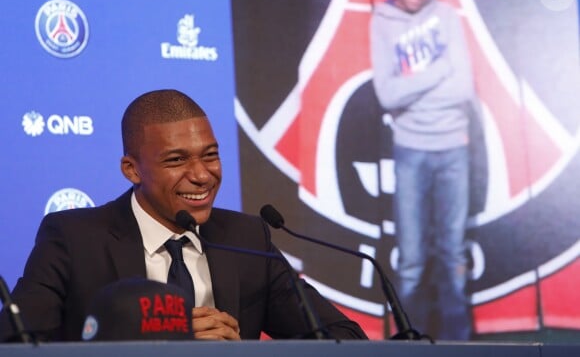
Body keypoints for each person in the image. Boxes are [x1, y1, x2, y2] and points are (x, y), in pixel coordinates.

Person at [0, 89, 367, 342]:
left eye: (210, 155)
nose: (202, 175)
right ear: (131, 169)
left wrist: (242, 350)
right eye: (176, 160)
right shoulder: (75, 238)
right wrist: (153, 342)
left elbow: (343, 337)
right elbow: (18, 341)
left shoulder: (247, 239)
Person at [370, 0, 478, 340]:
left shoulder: (446, 15)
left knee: (452, 255)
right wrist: (440, 70)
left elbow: (463, 88)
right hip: (410, 150)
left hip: (453, 148)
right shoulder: (382, 21)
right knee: (412, 260)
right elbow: (387, 94)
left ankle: (458, 345)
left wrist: (411, 88)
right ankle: (411, 343)